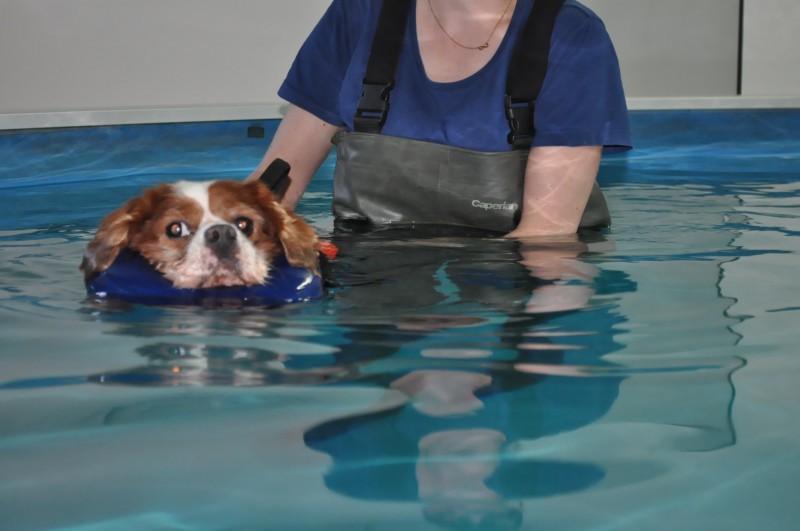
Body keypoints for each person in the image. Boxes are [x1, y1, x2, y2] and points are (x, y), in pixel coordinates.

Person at [248, 0, 631, 238]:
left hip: (516, 283)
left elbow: (546, 237)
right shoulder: (358, 12)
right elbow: (272, 192)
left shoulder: (575, 35)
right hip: (371, 279)